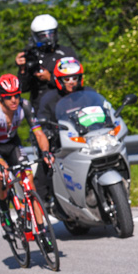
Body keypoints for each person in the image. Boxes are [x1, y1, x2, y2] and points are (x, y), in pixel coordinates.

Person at [0, 74, 54, 248]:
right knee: (3, 175)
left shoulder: (25, 106)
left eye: (17, 95)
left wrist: (45, 152)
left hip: (13, 145)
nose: (14, 100)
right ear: (1, 96)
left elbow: (39, 133)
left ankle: (42, 231)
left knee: (29, 182)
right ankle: (4, 210)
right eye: (9, 97)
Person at [34, 57, 93, 207]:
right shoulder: (49, 99)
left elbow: (103, 110)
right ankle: (43, 204)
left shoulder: (89, 94)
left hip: (88, 140)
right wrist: (47, 131)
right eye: (67, 79)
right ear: (59, 80)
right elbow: (41, 122)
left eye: (74, 78)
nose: (71, 82)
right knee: (45, 166)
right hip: (61, 144)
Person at [15, 14, 78, 111]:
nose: (47, 39)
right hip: (40, 109)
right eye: (42, 36)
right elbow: (23, 88)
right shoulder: (32, 55)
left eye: (51, 34)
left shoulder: (66, 54)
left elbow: (75, 83)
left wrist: (50, 78)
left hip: (65, 106)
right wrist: (22, 69)